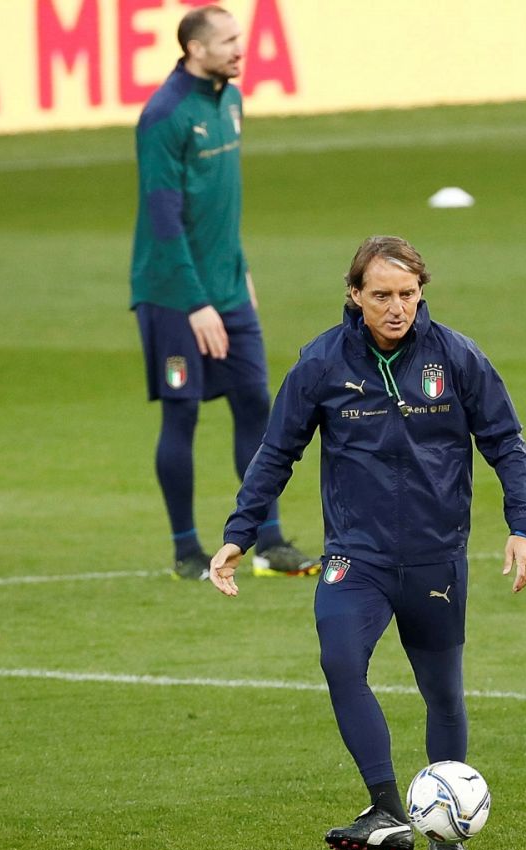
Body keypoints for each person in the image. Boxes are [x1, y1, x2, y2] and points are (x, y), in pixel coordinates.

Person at [209, 236, 526, 850]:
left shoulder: (457, 357)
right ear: (354, 295)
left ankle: (447, 837)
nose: (397, 308)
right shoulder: (321, 363)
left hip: (435, 559)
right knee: (340, 661)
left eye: (409, 295)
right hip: (355, 558)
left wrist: (522, 526)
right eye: (383, 295)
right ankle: (388, 807)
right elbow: (276, 452)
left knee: (443, 695)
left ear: (422, 294)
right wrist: (238, 534)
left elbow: (506, 442)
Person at [130, 4, 316, 580]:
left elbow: (218, 205)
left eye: (241, 38)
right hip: (172, 296)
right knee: (182, 412)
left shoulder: (231, 101)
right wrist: (196, 302)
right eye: (229, 41)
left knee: (256, 404)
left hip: (228, 288)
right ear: (195, 49)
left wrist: (239, 271)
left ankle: (267, 541)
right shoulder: (164, 116)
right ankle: (187, 550)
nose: (241, 49)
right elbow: (165, 221)